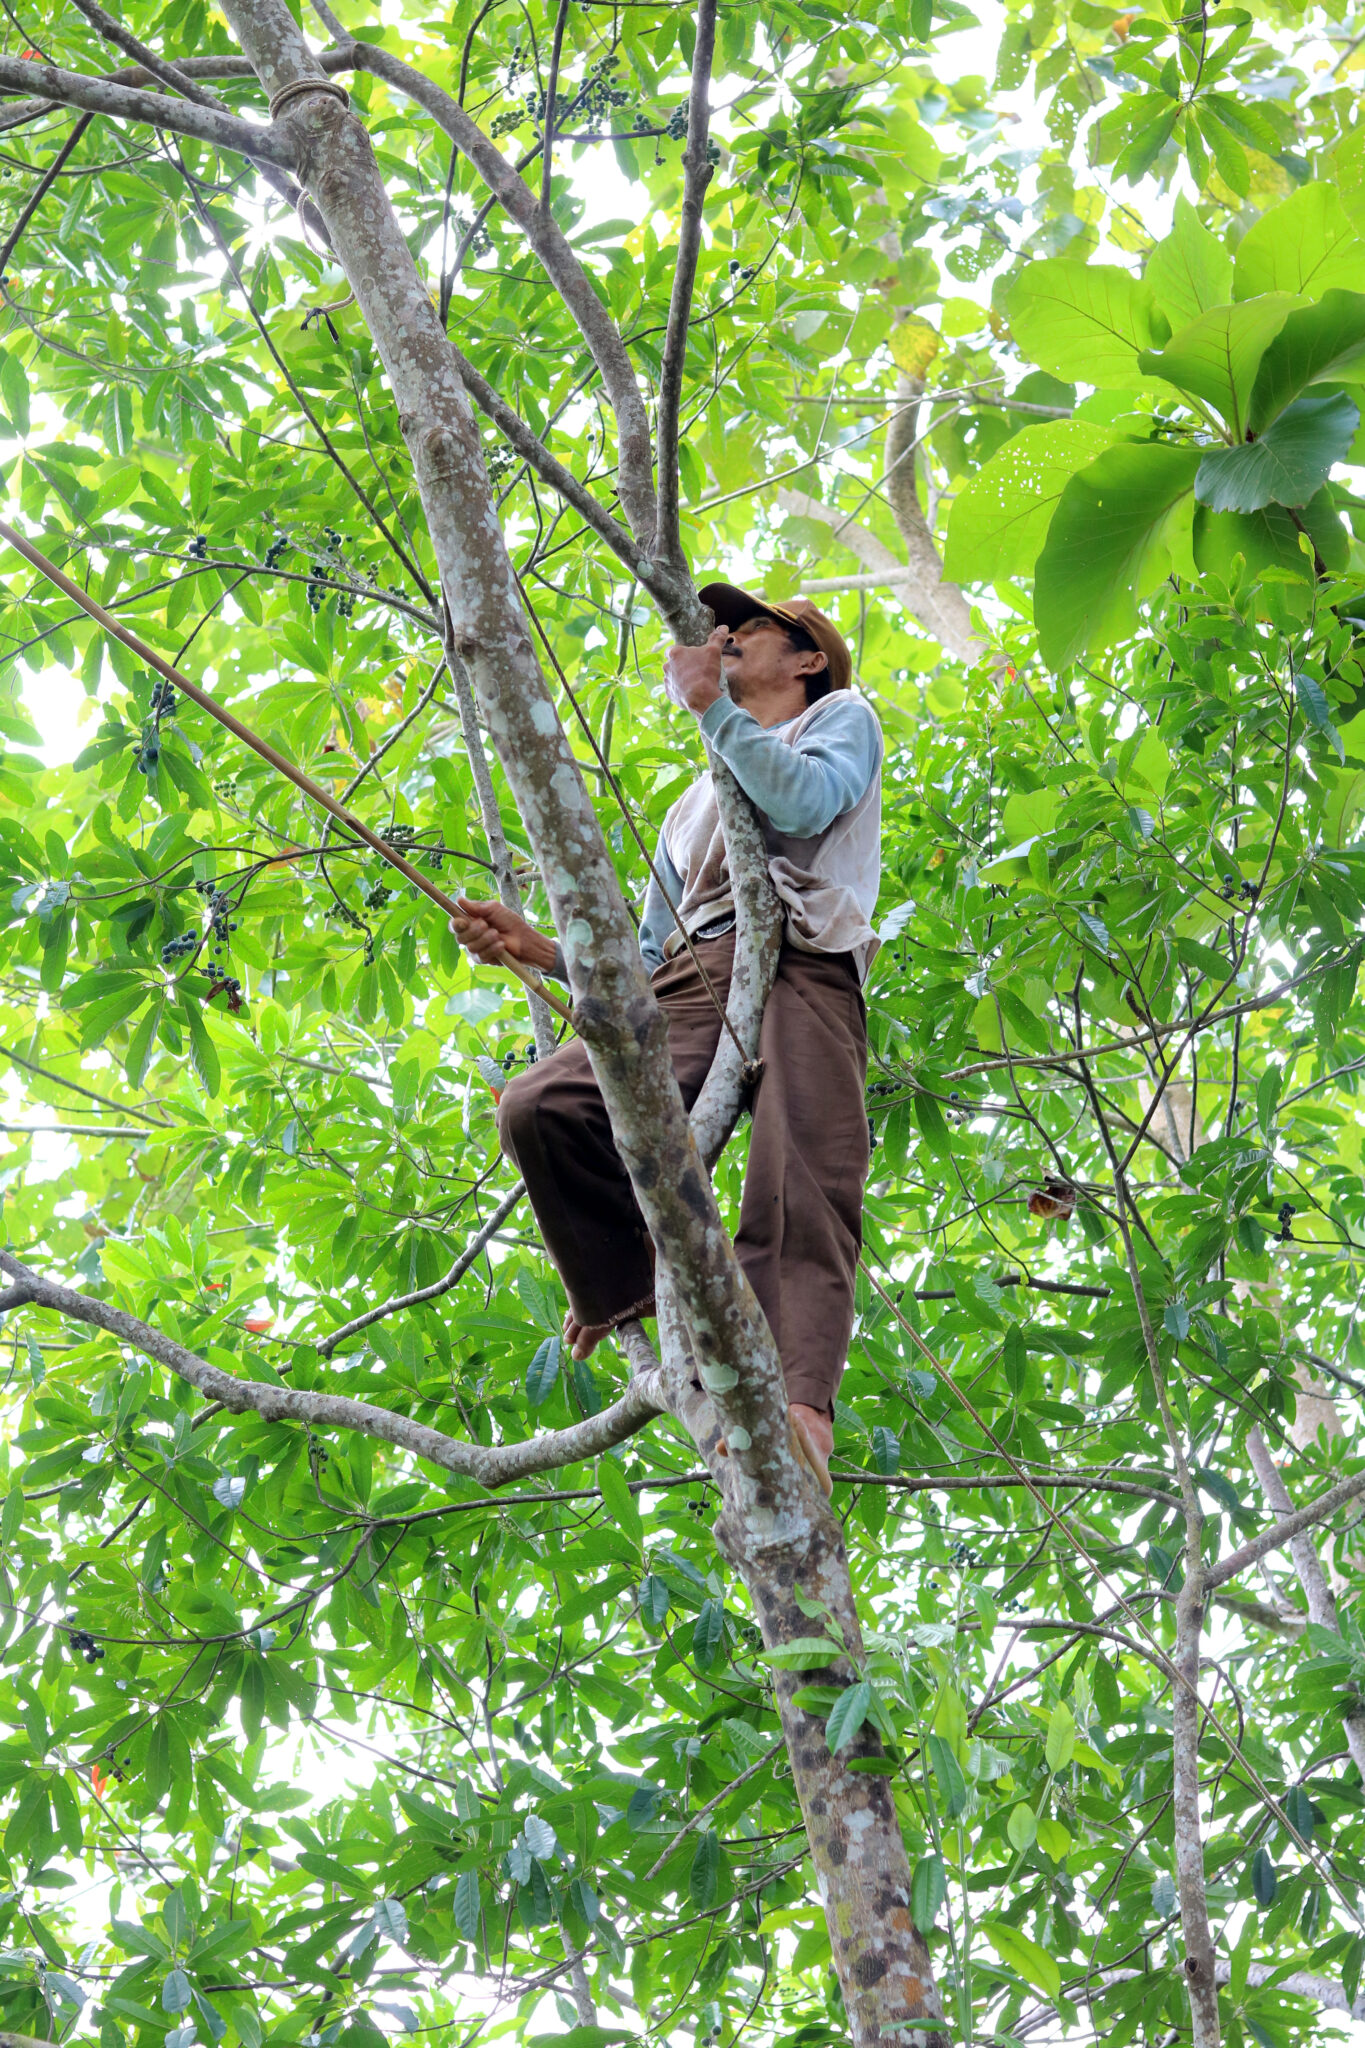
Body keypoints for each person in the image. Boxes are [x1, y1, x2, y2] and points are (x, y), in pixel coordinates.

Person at [454, 582, 883, 1496]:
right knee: (540, 1106)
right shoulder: (695, 799)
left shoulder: (839, 717)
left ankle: (799, 1406)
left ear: (808, 659)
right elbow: (646, 954)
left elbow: (807, 805)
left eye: (748, 629)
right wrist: (536, 949)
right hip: (692, 974)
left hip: (803, 961)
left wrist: (709, 709)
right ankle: (638, 1287)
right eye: (715, 630)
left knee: (800, 1171)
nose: (722, 637)